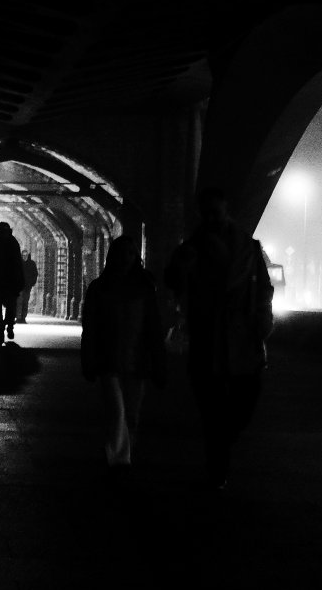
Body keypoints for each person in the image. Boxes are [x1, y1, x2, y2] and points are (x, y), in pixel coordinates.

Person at [164, 185, 274, 489]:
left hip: (243, 336)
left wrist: (263, 317)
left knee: (245, 401)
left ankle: (221, 448)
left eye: (218, 211)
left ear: (227, 211)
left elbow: (264, 287)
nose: (213, 217)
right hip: (207, 336)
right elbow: (172, 279)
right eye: (208, 212)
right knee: (212, 410)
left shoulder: (250, 249)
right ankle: (217, 469)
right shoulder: (192, 248)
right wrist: (182, 268)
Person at [81, 235, 166, 473]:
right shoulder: (99, 288)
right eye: (123, 253)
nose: (127, 258)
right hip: (108, 358)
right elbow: (90, 328)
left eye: (131, 253)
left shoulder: (144, 287)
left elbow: (153, 327)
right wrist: (88, 359)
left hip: (136, 359)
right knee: (116, 410)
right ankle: (119, 461)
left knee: (132, 411)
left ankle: (126, 452)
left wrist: (158, 362)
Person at [17, 248, 38, 323]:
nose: (24, 257)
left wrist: (32, 283)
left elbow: (35, 274)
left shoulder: (32, 264)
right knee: (19, 302)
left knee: (25, 302)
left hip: (27, 286)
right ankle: (18, 317)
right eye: (23, 255)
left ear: (28, 255)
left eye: (26, 255)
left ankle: (23, 317)